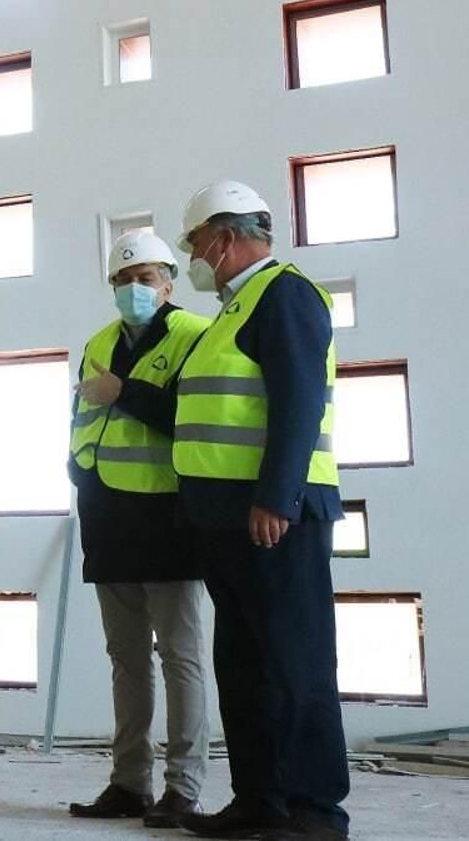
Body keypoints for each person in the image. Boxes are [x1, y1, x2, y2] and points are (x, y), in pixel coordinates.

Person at [171, 182, 349, 841]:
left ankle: (315, 811)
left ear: (222, 236)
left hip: (276, 516)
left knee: (296, 664)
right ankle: (260, 801)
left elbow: (298, 401)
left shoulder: (285, 294)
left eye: (194, 243)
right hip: (225, 519)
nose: (193, 255)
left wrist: (279, 495)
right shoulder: (234, 305)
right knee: (243, 666)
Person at [67, 231, 211, 830]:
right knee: (125, 659)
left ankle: (184, 787)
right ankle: (129, 784)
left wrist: (124, 391)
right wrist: (74, 470)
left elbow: (195, 418)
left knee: (180, 657)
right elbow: (82, 417)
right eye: (123, 281)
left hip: (167, 519)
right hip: (107, 520)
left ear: (170, 282)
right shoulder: (99, 341)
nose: (134, 290)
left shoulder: (194, 336)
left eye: (146, 278)